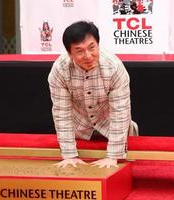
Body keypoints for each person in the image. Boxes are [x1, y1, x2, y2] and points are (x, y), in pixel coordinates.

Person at [48, 21, 138, 168]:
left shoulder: (114, 67)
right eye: (79, 51)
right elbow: (61, 112)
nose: (88, 56)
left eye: (92, 47)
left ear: (98, 44)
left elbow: (120, 111)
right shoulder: (60, 70)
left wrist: (113, 156)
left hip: (111, 124)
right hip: (80, 128)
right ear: (69, 53)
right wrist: (69, 155)